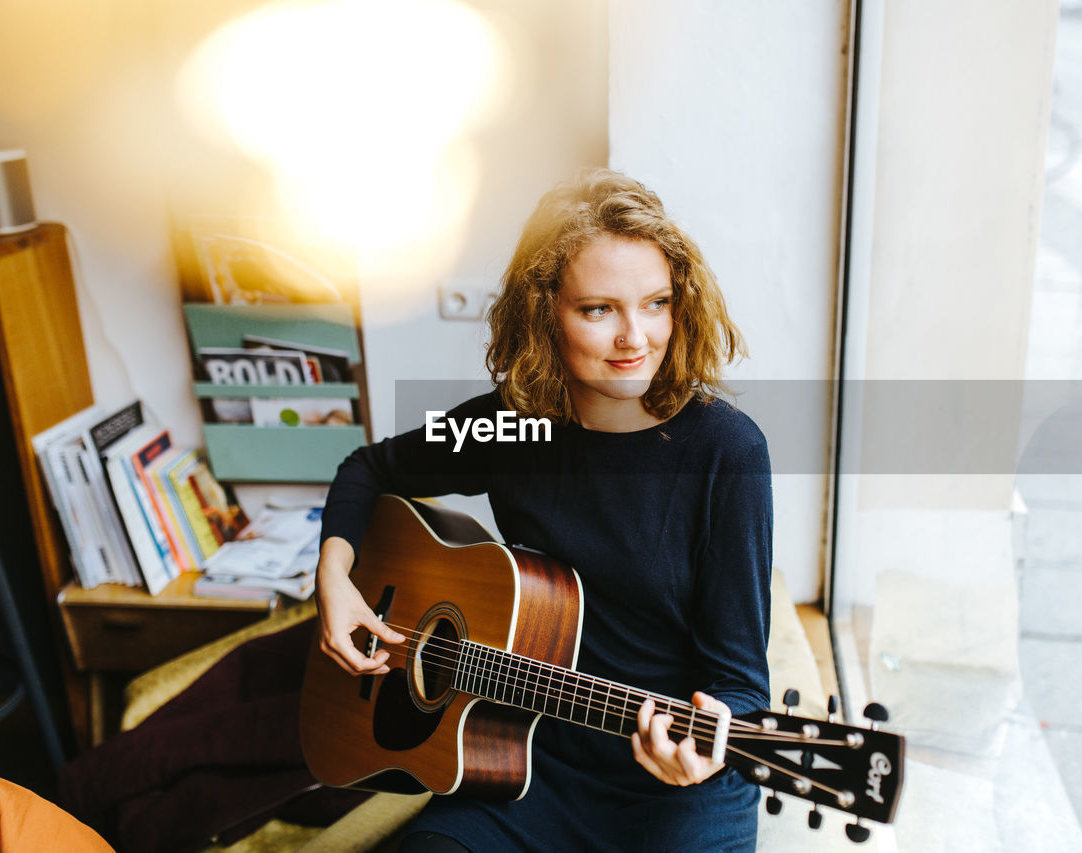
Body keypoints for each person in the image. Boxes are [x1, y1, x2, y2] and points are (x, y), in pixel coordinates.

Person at [316, 168, 773, 852]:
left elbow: (740, 680)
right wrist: (334, 581)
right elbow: (368, 470)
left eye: (656, 302)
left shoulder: (724, 451)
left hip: (677, 793)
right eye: (598, 309)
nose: (636, 337)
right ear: (543, 314)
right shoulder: (518, 426)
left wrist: (709, 743)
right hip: (529, 767)